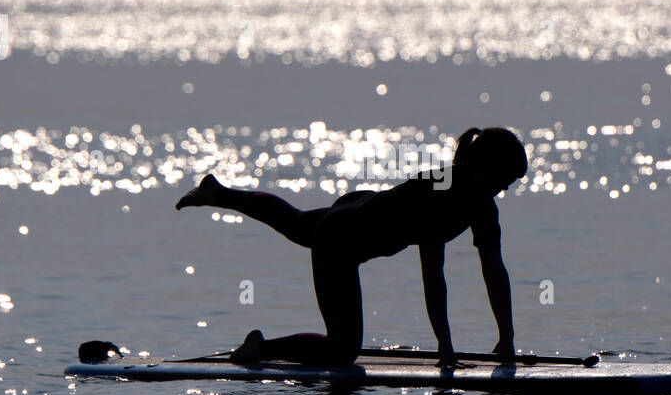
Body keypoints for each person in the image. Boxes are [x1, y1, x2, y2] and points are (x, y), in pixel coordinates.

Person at [175, 126, 528, 367]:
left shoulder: (483, 205)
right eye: (504, 180)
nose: (505, 190)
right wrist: (445, 349)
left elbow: (494, 273)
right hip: (341, 241)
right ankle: (260, 348)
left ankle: (218, 192)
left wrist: (507, 338)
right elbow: (433, 276)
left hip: (357, 209)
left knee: (294, 222)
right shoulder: (442, 190)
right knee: (342, 350)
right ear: (483, 167)